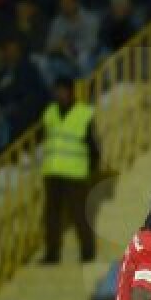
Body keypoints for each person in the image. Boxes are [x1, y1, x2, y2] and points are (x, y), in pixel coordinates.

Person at [41, 78, 98, 264]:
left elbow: (92, 145)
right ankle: (52, 254)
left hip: (75, 174)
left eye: (64, 91)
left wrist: (91, 169)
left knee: (79, 214)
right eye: (58, 91)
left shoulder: (84, 113)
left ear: (72, 92)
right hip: (52, 172)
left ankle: (88, 252)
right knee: (51, 216)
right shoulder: (49, 112)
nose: (60, 94)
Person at [46, 0, 99, 76]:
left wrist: (69, 46)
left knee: (83, 59)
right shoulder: (57, 22)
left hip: (88, 57)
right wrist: (59, 47)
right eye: (62, 3)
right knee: (47, 64)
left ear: (76, 2)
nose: (65, 5)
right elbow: (49, 47)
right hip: (64, 60)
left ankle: (89, 88)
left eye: (68, 2)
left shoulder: (90, 19)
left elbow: (91, 45)